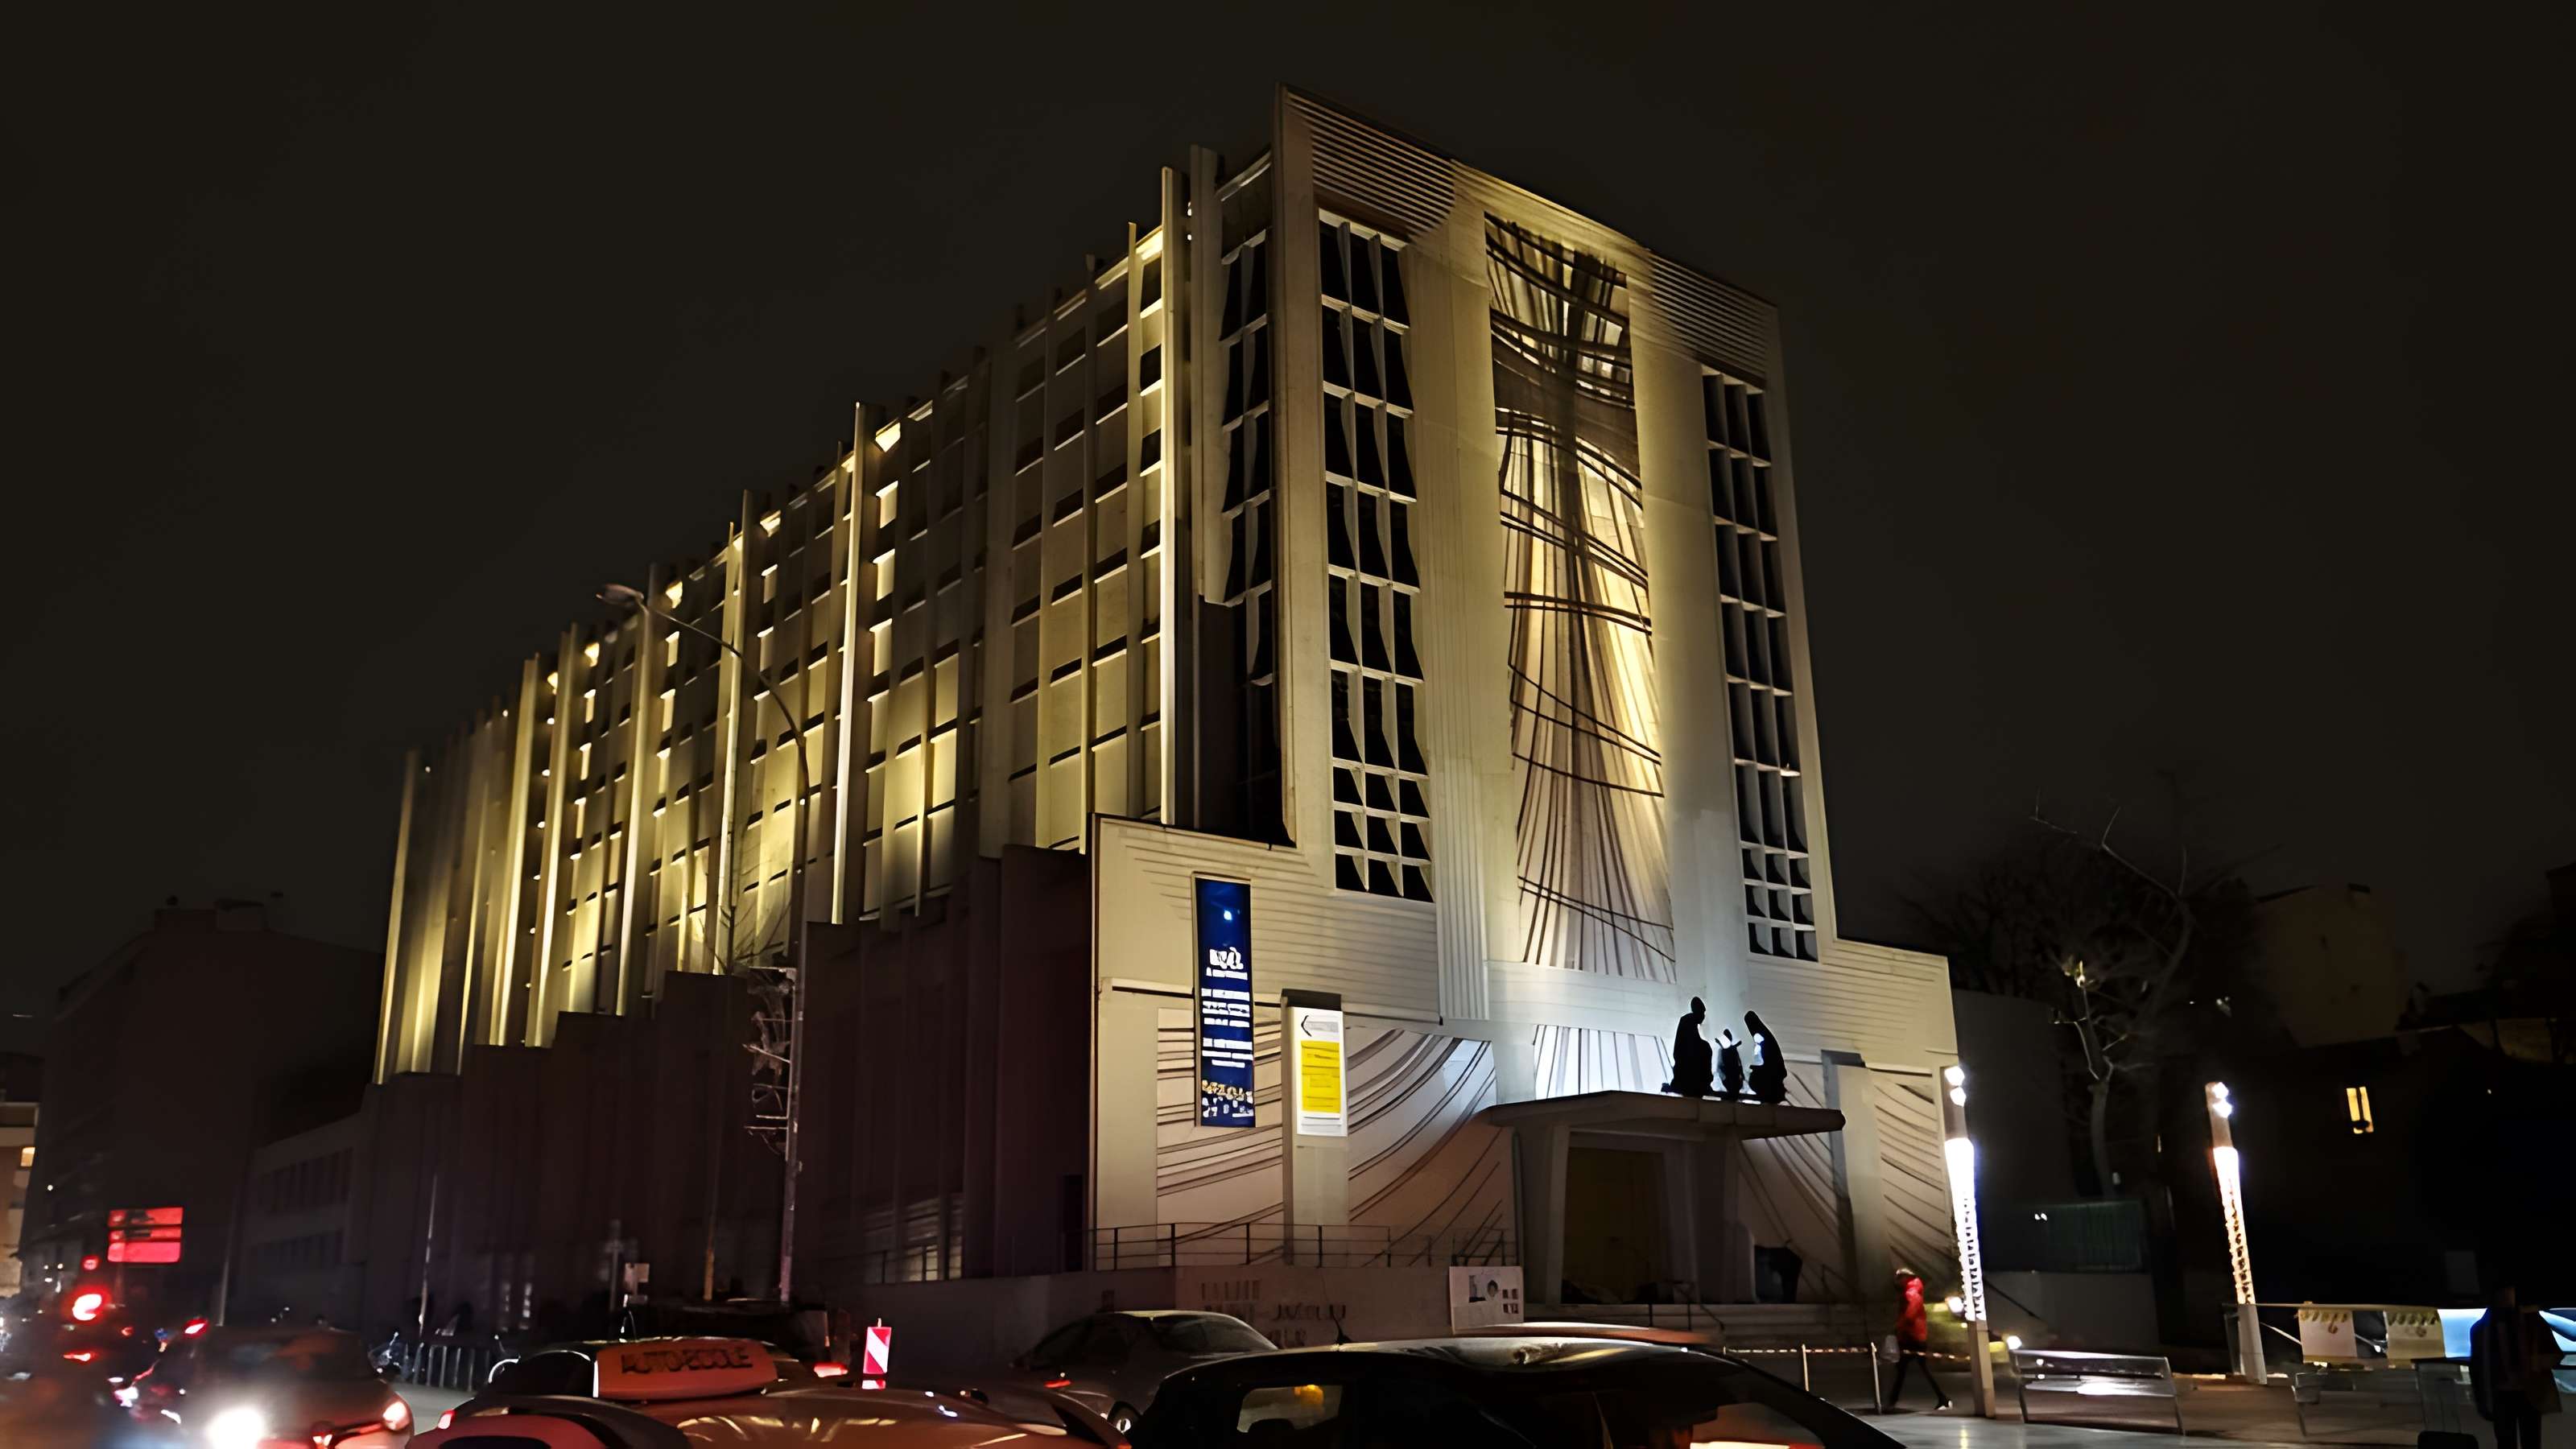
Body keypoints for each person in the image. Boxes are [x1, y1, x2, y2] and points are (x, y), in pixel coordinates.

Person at [2472, 1285, 2563, 1449]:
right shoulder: (2531, 1324)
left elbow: (2479, 1369)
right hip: (2517, 1393)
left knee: (2517, 1440)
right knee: (2525, 1439)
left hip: (2514, 1393)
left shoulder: (2483, 1329)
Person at [1881, 1267, 1951, 1412]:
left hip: (1911, 1337)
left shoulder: (1911, 1293)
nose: (1897, 1282)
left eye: (1899, 1278)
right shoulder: (1914, 1290)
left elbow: (1909, 1315)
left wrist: (1897, 1327)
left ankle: (1892, 1402)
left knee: (1906, 1370)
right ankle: (1942, 1399)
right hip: (1914, 1336)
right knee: (1909, 1369)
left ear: (1905, 1278)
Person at [1666, 998, 1715, 1097]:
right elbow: (1692, 1043)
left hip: (1685, 1066)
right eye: (1703, 1012)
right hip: (1687, 1067)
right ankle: (1703, 1083)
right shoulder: (1688, 1021)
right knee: (1706, 1048)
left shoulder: (1687, 1020)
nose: (1704, 1016)